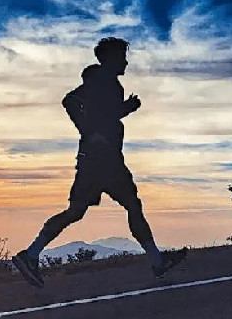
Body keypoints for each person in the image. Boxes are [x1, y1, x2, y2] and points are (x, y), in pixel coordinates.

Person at [12, 37, 186, 288]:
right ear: (111, 58)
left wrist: (108, 119)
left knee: (87, 210)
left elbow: (99, 113)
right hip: (101, 161)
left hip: (102, 160)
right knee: (126, 206)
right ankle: (157, 261)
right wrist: (97, 126)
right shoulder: (103, 81)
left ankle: (30, 255)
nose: (126, 62)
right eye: (122, 57)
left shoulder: (105, 82)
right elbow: (74, 103)